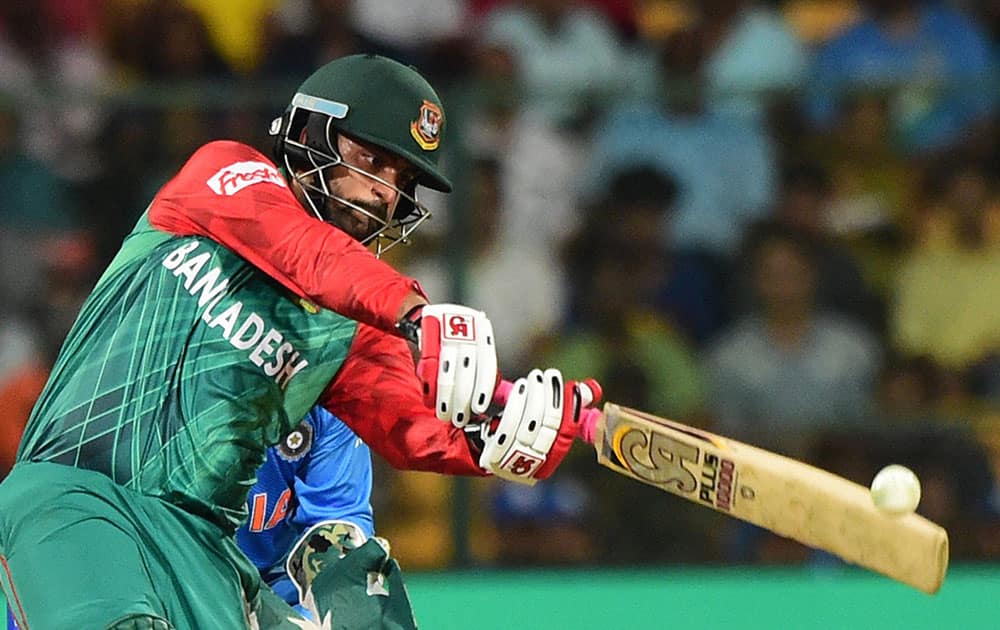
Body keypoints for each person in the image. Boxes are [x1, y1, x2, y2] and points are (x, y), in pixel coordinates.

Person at [0, 53, 598, 629]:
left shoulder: (347, 332)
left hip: (202, 552)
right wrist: (416, 313)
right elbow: (302, 251)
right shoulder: (222, 177)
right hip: (79, 497)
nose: (384, 193)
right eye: (372, 159)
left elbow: (414, 426)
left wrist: (502, 433)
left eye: (403, 179)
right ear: (312, 134)